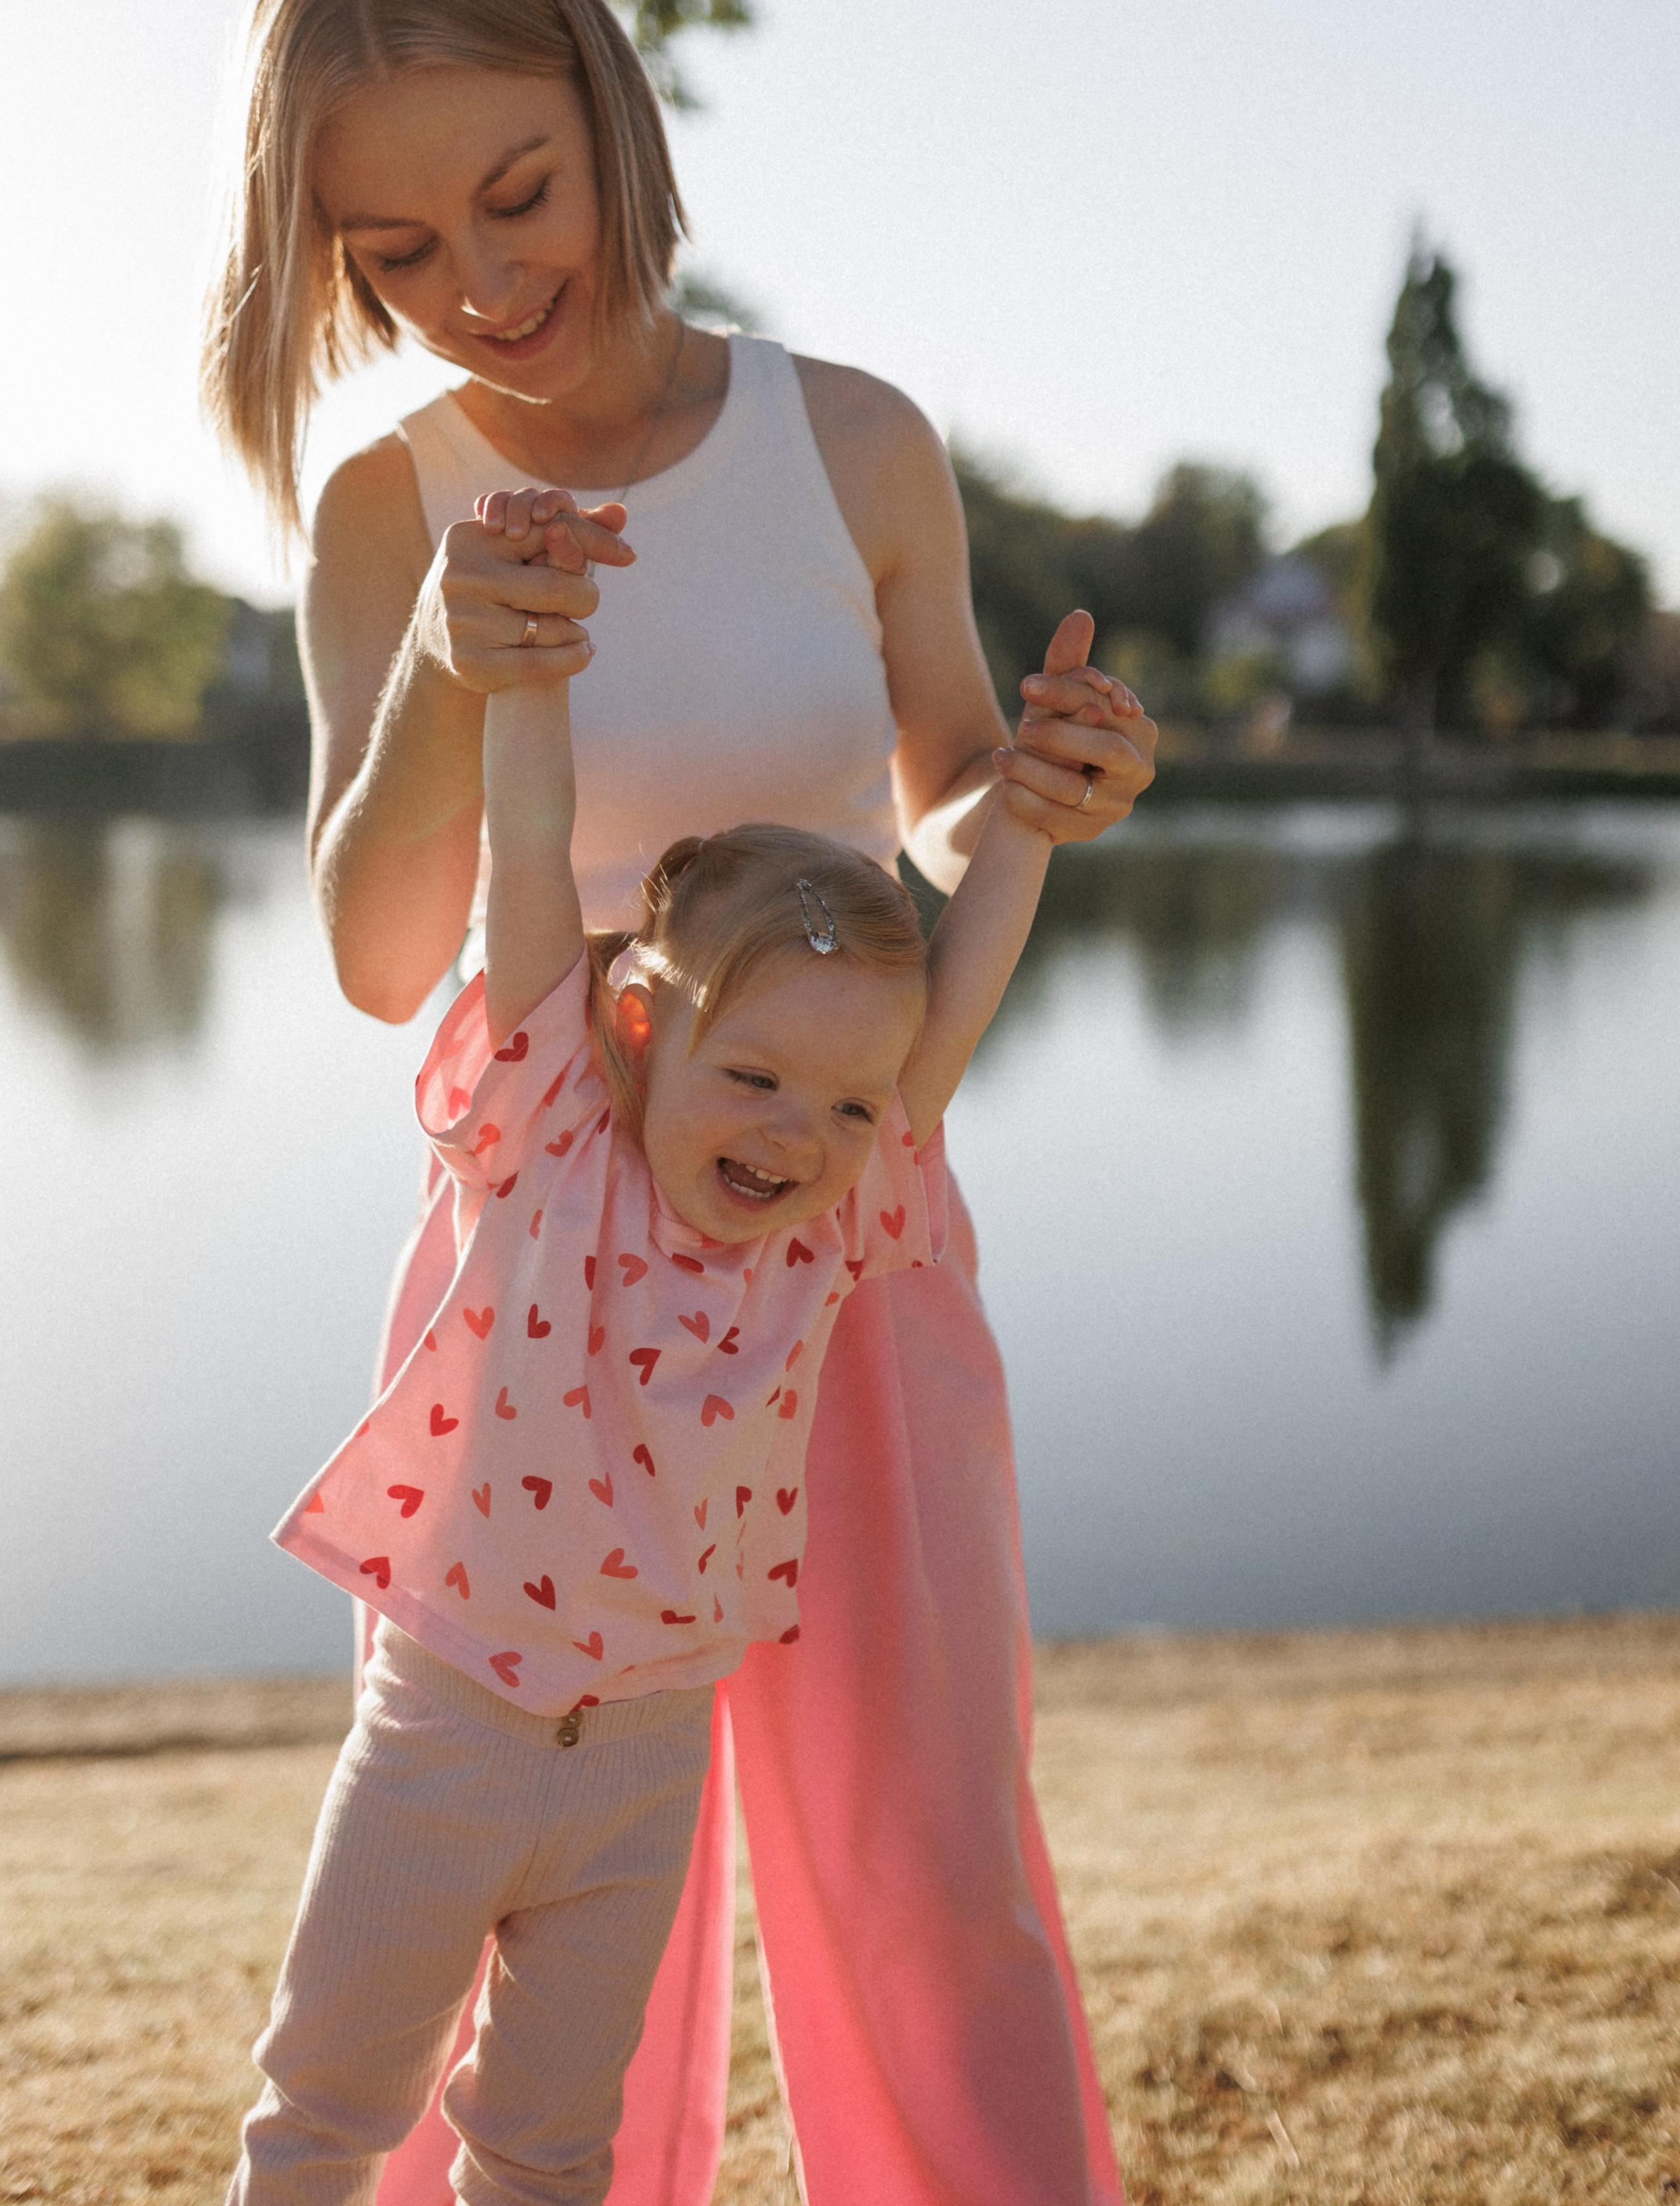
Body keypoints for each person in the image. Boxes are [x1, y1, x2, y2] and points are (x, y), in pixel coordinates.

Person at [201, 5, 1157, 2201]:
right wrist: (456, 665)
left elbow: (932, 824)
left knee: (927, 1867)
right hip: (537, 1295)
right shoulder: (391, 507)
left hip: (847, 1237)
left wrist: (1043, 790)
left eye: (517, 195)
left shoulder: (854, 442)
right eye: (395, 249)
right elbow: (375, 956)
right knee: (526, 1896)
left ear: (615, 120)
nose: (477, 282)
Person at [232, 562, 1089, 2199]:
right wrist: (525, 675)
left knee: (552, 2142)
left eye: (846, 1105)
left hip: (641, 1756)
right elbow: (531, 862)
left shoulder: (827, 1236)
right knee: (328, 2108)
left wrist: (1028, 815)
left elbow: (958, 987)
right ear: (635, 1025)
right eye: (752, 1074)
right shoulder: (549, 1142)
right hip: (450, 1728)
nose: (794, 1132)